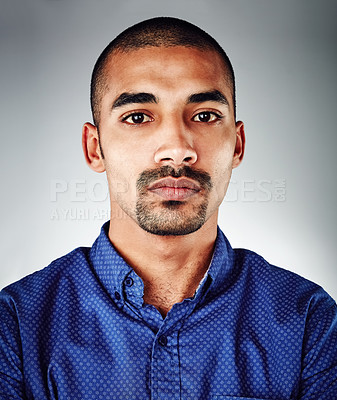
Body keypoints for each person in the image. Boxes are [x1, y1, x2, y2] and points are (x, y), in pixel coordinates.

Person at [0, 16, 336, 400]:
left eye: (205, 115)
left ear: (237, 145)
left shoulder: (308, 320)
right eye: (138, 117)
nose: (177, 148)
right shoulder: (16, 325)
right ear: (95, 148)